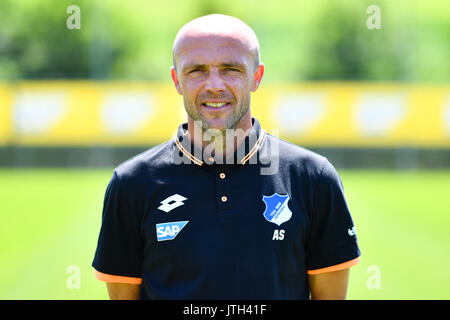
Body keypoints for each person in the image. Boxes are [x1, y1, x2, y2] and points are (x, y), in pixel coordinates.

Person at [92, 14, 361, 300]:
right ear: (177, 80)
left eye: (231, 69)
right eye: (197, 70)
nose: (214, 85)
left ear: (256, 77)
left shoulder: (313, 178)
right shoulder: (132, 184)